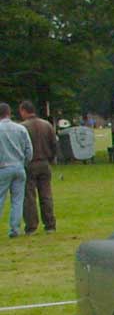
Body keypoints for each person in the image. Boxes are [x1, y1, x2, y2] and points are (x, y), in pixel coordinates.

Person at [17, 101, 58, 234]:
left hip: (29, 164)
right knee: (46, 195)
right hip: (45, 163)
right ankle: (50, 224)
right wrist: (50, 159)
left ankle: (31, 226)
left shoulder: (22, 127)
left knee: (29, 196)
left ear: (24, 111)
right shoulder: (47, 125)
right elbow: (54, 145)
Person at [0, 102, 32, 238]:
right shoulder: (20, 128)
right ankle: (15, 229)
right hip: (19, 167)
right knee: (17, 201)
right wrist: (24, 163)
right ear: (9, 113)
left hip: (3, 167)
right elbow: (29, 150)